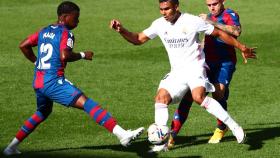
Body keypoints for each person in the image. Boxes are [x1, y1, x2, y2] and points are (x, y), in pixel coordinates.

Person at [110, 0, 256, 152]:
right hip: (177, 72)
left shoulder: (192, 21)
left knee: (198, 97)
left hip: (196, 69)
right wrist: (121, 30)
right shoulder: (159, 24)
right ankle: (161, 143)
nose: (163, 13)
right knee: (161, 98)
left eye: (167, 9)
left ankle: (234, 127)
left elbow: (218, 32)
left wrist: (242, 47)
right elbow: (138, 39)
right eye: (161, 9)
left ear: (176, 6)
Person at [3, 1, 144, 156]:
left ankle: (11, 147)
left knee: (42, 112)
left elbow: (23, 45)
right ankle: (122, 134)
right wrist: (83, 55)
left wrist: (37, 62)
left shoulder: (44, 31)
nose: (78, 21)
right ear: (65, 17)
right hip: (53, 82)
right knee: (87, 103)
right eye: (75, 18)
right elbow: (65, 55)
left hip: (38, 82)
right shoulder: (66, 33)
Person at [168, 0, 246, 148]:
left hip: (224, 62)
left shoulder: (230, 14)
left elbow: (236, 31)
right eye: (209, 5)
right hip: (206, 62)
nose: (211, 7)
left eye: (214, 4)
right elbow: (207, 40)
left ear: (222, 1)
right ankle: (172, 133)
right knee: (189, 95)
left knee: (218, 93)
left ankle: (221, 127)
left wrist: (209, 21)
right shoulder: (208, 17)